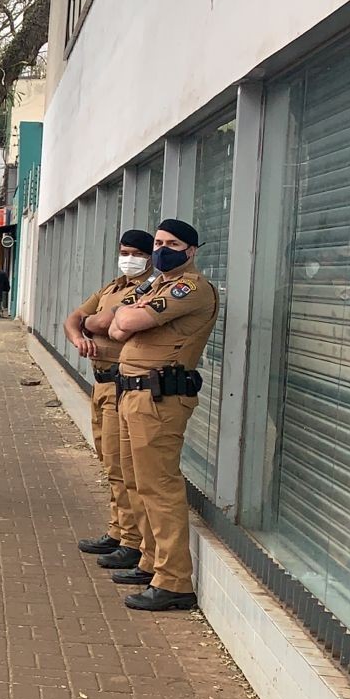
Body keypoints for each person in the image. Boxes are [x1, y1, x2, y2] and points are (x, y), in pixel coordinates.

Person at [100, 219, 219, 612]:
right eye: (159, 242)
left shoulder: (190, 288)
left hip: (160, 399)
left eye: (172, 243)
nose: (162, 248)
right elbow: (114, 328)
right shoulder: (156, 286)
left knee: (160, 486)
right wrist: (125, 316)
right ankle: (152, 563)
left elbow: (126, 322)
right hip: (134, 395)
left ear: (191, 250)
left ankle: (174, 582)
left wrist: (126, 315)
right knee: (137, 481)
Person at [64, 230, 154, 570]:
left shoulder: (146, 290)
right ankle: (117, 530)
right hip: (101, 384)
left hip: (123, 385)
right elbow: (73, 320)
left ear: (147, 257)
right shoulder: (112, 287)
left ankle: (132, 541)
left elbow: (104, 321)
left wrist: (91, 324)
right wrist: (80, 335)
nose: (127, 257)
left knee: (121, 464)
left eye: (133, 252)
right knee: (108, 460)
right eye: (123, 251)